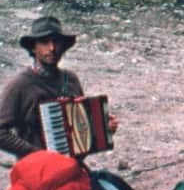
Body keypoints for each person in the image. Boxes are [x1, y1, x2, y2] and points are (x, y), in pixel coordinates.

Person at [1, 16, 118, 158]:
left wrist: (104, 129)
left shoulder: (71, 79)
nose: (52, 48)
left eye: (57, 42)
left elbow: (80, 124)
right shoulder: (20, 85)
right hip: (37, 170)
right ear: (33, 47)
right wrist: (36, 154)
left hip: (71, 167)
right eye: (44, 42)